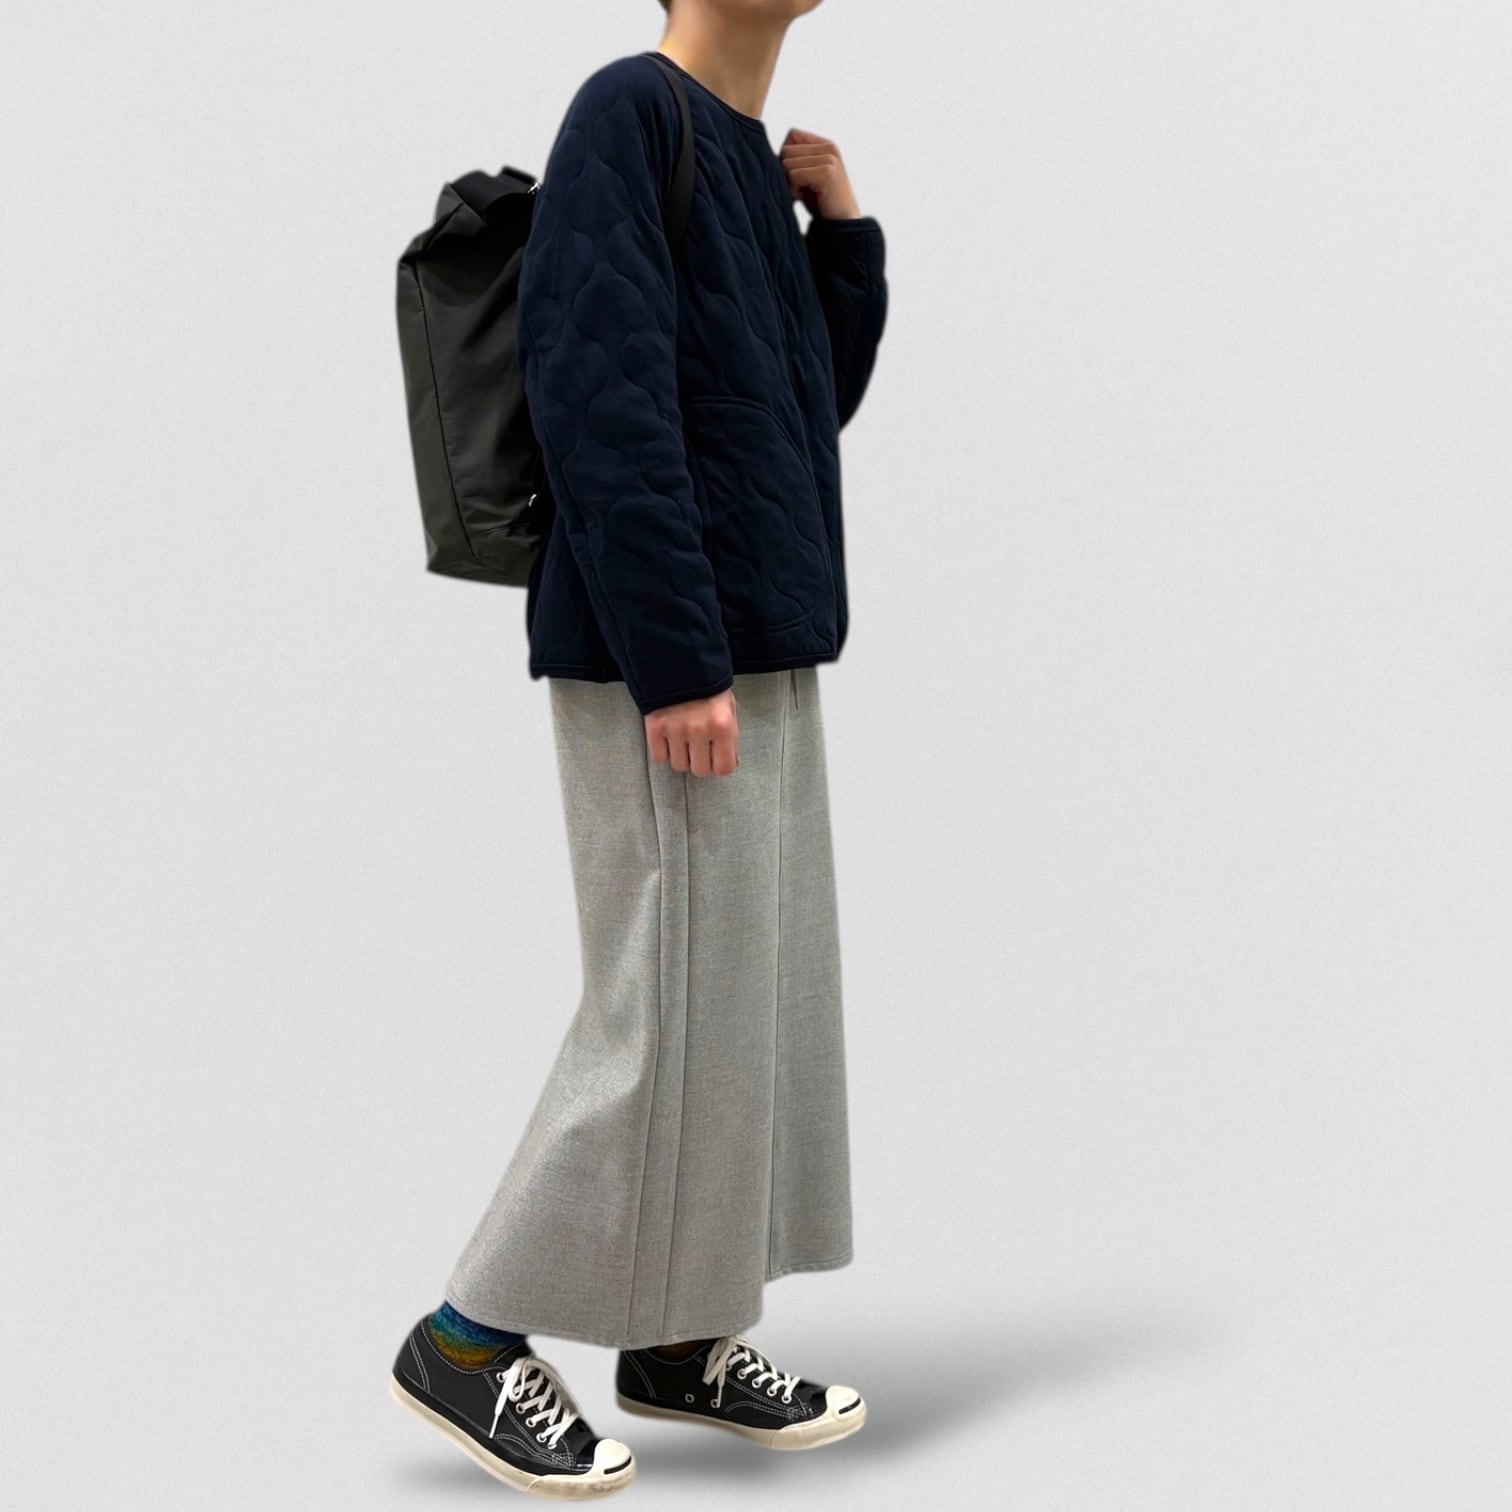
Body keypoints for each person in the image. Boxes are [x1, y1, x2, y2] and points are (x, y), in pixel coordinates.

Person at [389, 0, 888, 1496]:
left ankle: (676, 1335)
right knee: (661, 1008)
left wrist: (842, 239)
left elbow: (800, 415)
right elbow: (596, 397)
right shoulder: (630, 111)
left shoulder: (741, 151)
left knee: (747, 1008)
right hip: (665, 655)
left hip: (757, 641)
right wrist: (675, 659)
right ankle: (467, 1337)